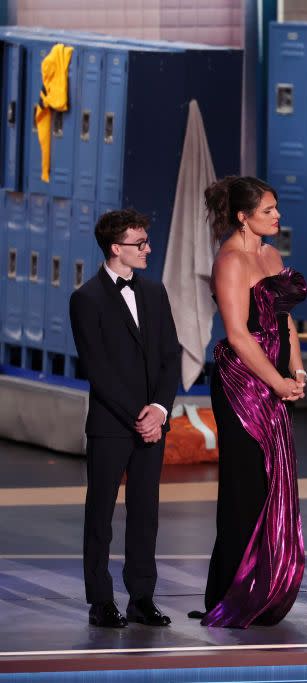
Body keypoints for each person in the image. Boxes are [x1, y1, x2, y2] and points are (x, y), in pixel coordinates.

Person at [197, 176, 307, 628]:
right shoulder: (229, 261)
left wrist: (295, 370)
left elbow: (284, 323)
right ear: (243, 217)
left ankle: (265, 588)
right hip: (242, 385)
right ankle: (230, 593)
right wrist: (275, 382)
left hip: (275, 379)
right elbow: (239, 335)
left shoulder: (270, 254)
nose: (277, 216)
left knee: (272, 485)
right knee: (245, 489)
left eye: (276, 208)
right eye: (268, 210)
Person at [69, 209, 182, 628]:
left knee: (145, 512)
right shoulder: (86, 298)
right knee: (100, 514)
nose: (149, 249)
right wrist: (139, 415)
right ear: (117, 248)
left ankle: (142, 597)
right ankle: (100, 600)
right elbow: (98, 370)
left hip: (153, 421)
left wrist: (160, 410)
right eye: (141, 244)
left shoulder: (155, 293)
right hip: (111, 425)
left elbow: (171, 357)